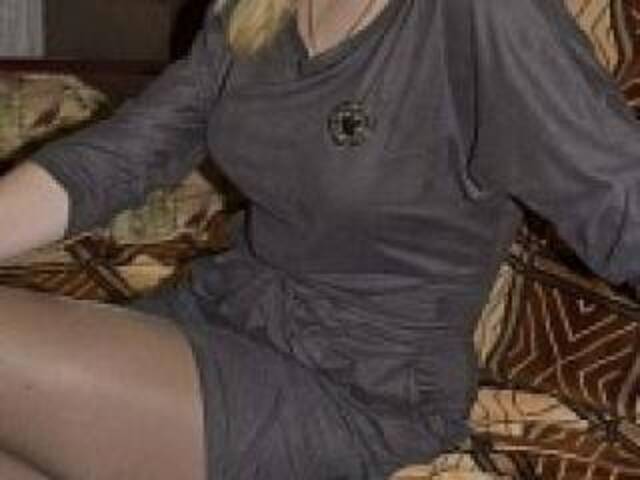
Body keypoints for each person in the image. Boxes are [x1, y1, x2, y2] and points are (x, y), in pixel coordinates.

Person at [0, 0, 638, 479]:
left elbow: (620, 197)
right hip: (220, 317)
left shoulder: (482, 14)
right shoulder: (257, 9)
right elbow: (123, 156)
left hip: (358, 386)